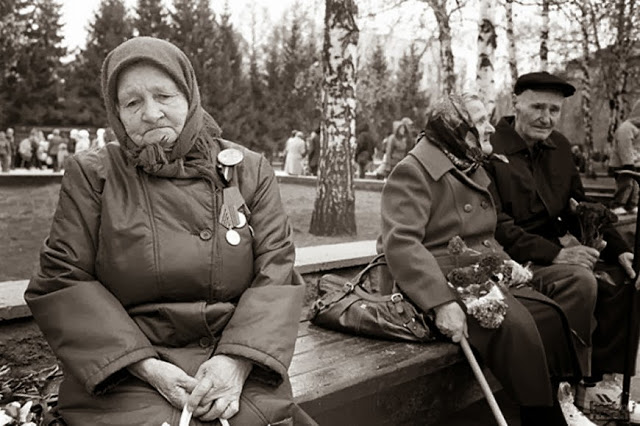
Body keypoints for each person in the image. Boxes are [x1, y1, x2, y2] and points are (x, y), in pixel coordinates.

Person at [25, 36, 315, 426]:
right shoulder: (93, 173)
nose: (151, 113)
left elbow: (277, 269)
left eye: (164, 95)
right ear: (116, 112)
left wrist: (236, 362)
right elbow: (62, 279)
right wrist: (146, 367)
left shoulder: (248, 169)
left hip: (236, 364)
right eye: (132, 102)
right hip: (126, 373)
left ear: (189, 96)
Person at [378, 93, 589, 425]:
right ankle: (543, 415)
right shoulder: (414, 170)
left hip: (480, 269)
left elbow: (484, 237)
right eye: (480, 121)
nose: (490, 127)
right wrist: (439, 302)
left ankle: (562, 398)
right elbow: (400, 243)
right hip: (436, 281)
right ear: (452, 128)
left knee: (559, 299)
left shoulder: (467, 163)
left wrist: (508, 263)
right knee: (519, 323)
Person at [485, 71, 639, 419]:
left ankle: (600, 389)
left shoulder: (561, 149)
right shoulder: (491, 149)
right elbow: (496, 225)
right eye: (537, 107)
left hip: (551, 255)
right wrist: (557, 253)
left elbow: (579, 207)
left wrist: (620, 248)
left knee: (623, 280)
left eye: (554, 110)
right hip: (509, 260)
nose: (546, 117)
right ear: (515, 104)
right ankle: (561, 391)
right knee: (582, 281)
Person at [609, 99, 640, 215]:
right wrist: (628, 162)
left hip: (634, 164)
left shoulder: (637, 129)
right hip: (623, 164)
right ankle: (618, 204)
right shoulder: (626, 128)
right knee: (626, 184)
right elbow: (624, 146)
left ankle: (632, 204)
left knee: (636, 186)